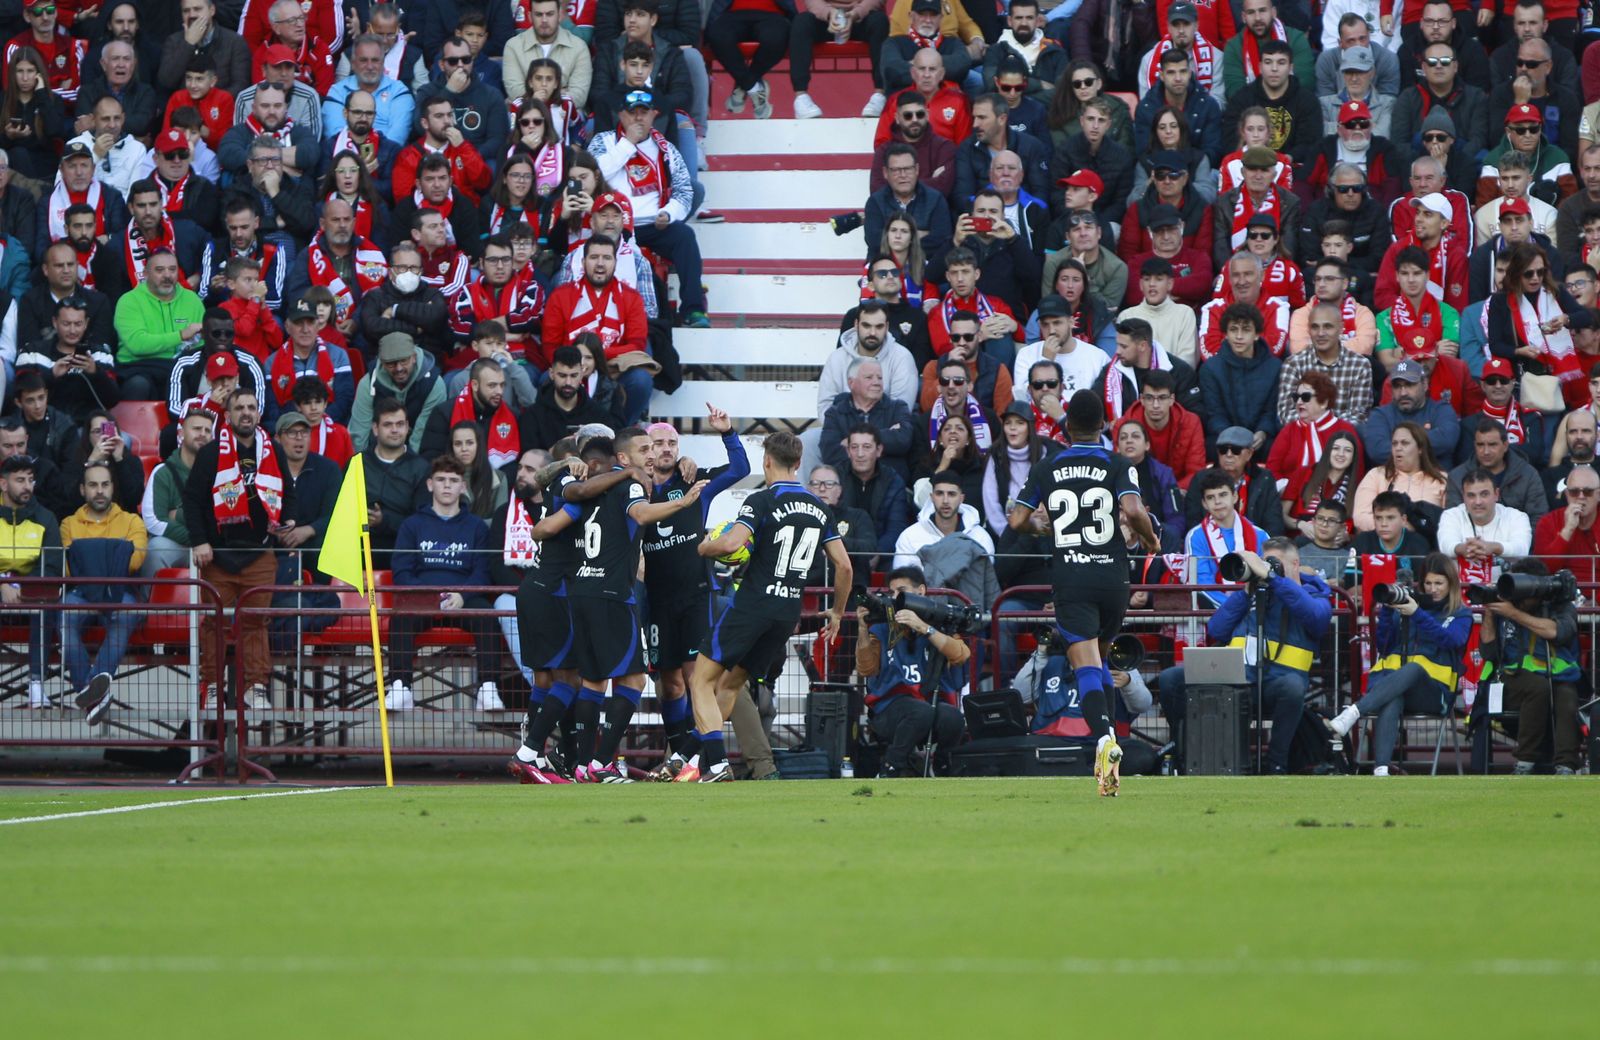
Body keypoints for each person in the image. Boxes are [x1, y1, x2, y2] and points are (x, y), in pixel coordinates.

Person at [674, 431, 852, 783]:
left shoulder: (761, 501)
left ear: (766, 461)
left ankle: (715, 764)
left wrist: (705, 547)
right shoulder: (819, 508)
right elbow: (844, 566)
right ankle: (687, 758)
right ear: (799, 463)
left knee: (700, 681)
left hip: (753, 605)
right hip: (786, 613)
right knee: (729, 686)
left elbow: (733, 544)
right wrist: (837, 611)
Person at [1009, 389, 1160, 795]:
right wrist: (1150, 542)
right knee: (1103, 656)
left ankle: (1104, 738)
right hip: (1113, 578)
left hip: (1072, 578)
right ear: (1103, 425)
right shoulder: (1118, 462)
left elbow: (1018, 518)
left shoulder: (1047, 466)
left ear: (1068, 425)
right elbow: (1132, 510)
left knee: (1087, 665)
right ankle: (1109, 737)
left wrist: (1043, 528)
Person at [1158, 538, 1330, 772]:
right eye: (1264, 562)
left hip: (1278, 683)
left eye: (1273, 562)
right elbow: (1217, 629)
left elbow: (1317, 619)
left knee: (1292, 688)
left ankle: (1276, 764)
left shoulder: (1314, 594)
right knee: (1170, 679)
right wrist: (1246, 592)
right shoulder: (1252, 595)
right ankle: (1185, 752)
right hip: (1236, 678)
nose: (1267, 568)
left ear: (1295, 564)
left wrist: (1275, 580)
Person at [180, 388, 290, 710]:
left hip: (260, 553)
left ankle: (255, 688)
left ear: (258, 413)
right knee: (214, 623)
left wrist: (290, 520)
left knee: (256, 621)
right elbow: (192, 500)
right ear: (227, 416)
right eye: (239, 407)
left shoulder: (273, 451)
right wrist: (200, 541)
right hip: (218, 555)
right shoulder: (211, 453)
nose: (245, 412)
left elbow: (289, 494)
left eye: (251, 407)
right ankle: (213, 687)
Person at [1324, 551, 1469, 774]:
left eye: (1439, 583)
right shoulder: (1410, 604)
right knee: (1394, 696)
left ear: (1451, 584)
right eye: (1428, 583)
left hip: (1434, 693)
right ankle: (1381, 770)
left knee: (1414, 668)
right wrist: (1388, 614)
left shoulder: (1460, 613)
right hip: (1394, 686)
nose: (1433, 589)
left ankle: (1352, 713)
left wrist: (1417, 613)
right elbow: (1383, 646)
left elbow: (1451, 640)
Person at [382, 455, 505, 712]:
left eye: (453, 480)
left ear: (463, 486)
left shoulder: (476, 527)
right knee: (400, 618)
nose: (447, 486)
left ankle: (488, 688)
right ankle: (400, 687)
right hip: (423, 599)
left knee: (488, 617)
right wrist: (429, 596)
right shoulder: (412, 525)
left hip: (464, 598)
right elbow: (402, 571)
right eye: (441, 480)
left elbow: (483, 572)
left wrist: (462, 594)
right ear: (430, 485)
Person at [854, 564, 970, 776]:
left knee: (953, 717)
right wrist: (862, 628)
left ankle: (943, 765)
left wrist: (924, 628)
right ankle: (891, 767)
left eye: (902, 591)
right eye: (892, 592)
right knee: (920, 711)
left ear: (921, 591)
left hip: (929, 702)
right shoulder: (882, 625)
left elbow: (961, 655)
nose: (895, 597)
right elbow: (866, 669)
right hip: (889, 707)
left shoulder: (938, 620)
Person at [1477, 556, 1584, 774]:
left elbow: (1558, 632)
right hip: (1510, 675)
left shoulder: (1558, 602)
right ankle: (1524, 762)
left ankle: (1566, 765)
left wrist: (1514, 614)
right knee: (1537, 687)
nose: (1523, 596)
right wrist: (1489, 612)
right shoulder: (1506, 600)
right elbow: (1488, 650)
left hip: (1556, 674)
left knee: (1567, 696)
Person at [0, 452, 61, 707]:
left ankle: (36, 684)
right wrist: (3, 582)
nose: (27, 486)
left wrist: (17, 585)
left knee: (45, 603)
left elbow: (53, 567)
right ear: (3, 484)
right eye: (20, 480)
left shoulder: (45, 518)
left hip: (30, 590)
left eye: (30, 480)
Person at [113, 248, 205, 402]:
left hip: (181, 369)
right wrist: (181, 335)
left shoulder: (192, 300)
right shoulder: (129, 301)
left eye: (172, 270)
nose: (167, 275)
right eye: (160, 270)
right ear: (146, 273)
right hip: (139, 368)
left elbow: (201, 344)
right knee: (138, 385)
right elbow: (137, 344)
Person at [15, 296, 119, 423]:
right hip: (48, 426)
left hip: (92, 426)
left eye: (78, 324)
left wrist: (95, 373)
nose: (72, 330)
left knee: (125, 439)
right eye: (66, 324)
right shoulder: (32, 352)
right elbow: (20, 395)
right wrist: (51, 374)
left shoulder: (100, 354)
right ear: (55, 322)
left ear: (86, 323)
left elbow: (113, 400)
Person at [139, 403, 213, 574]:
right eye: (196, 429)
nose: (202, 434)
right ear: (181, 434)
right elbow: (153, 521)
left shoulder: (221, 472)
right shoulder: (163, 471)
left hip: (213, 545)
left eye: (207, 431)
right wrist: (197, 539)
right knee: (156, 549)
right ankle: (151, 600)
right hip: (179, 543)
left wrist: (177, 514)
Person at [1438, 466, 1532, 586]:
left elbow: (1522, 549)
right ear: (1463, 497)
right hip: (1459, 595)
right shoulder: (1451, 515)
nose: (1478, 502)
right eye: (1471, 495)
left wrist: (1494, 547)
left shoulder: (1517, 517)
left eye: (1484, 494)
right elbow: (1446, 545)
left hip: (1506, 592)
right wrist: (1464, 548)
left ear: (1496, 494)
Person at [1362, 358, 1461, 468]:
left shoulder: (1442, 410)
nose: (1403, 392)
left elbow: (1446, 441)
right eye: (1397, 386)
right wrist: (1422, 445)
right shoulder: (1380, 415)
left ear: (1424, 384)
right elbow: (1377, 450)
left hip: (1436, 480)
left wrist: (1399, 447)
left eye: (1409, 385)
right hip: (1394, 481)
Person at [1447, 414, 1548, 521]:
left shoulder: (1527, 475)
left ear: (1505, 445)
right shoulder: (1458, 477)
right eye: (1480, 445)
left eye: (1492, 445)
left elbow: (1539, 518)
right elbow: (1454, 520)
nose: (1486, 451)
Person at [1352, 419, 1449, 530]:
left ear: (1420, 449)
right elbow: (1360, 517)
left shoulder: (1441, 480)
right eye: (1394, 443)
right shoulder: (1376, 475)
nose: (1398, 448)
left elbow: (1450, 522)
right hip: (1381, 542)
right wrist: (1396, 528)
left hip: (1426, 544)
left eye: (1404, 443)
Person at [1532, 460, 1600, 585]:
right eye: (1574, 492)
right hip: (1561, 596)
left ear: (1598, 494)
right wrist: (1567, 530)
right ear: (1567, 494)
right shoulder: (1548, 522)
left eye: (1587, 491)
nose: (1580, 497)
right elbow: (1543, 571)